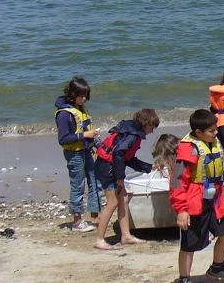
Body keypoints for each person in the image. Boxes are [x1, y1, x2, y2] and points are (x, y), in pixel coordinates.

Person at [169, 109, 224, 283]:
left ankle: (217, 267)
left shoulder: (214, 143)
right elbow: (177, 182)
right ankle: (184, 278)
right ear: (199, 133)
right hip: (195, 203)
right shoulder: (188, 150)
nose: (216, 133)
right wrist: (181, 210)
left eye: (216, 129)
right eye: (212, 131)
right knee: (189, 244)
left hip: (217, 200)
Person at [93, 108, 159, 250]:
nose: (152, 131)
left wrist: (149, 167)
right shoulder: (133, 135)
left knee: (123, 199)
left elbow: (128, 158)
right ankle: (99, 240)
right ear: (146, 124)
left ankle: (126, 236)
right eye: (152, 128)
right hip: (107, 169)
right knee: (113, 202)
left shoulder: (130, 130)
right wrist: (120, 178)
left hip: (107, 166)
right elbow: (118, 153)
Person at [54, 77, 101, 232]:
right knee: (78, 185)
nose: (84, 99)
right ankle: (77, 221)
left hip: (87, 150)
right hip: (74, 154)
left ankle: (95, 217)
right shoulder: (64, 114)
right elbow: (63, 139)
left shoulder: (81, 109)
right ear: (73, 94)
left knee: (94, 181)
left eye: (86, 96)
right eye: (81, 96)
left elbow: (88, 132)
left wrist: (99, 144)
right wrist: (84, 136)